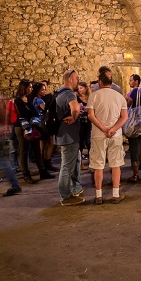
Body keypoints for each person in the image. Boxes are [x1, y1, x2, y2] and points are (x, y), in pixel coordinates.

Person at [87, 66, 129, 204]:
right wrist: (113, 129)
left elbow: (91, 116)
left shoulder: (93, 96)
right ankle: (115, 194)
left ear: (100, 82)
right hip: (115, 135)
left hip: (98, 135)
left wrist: (104, 128)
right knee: (115, 164)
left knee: (98, 165)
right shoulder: (120, 97)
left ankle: (98, 195)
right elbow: (124, 117)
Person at [13, 79, 55, 184]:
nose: (31, 89)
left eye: (32, 87)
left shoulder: (29, 98)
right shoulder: (18, 100)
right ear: (24, 88)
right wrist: (30, 112)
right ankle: (26, 174)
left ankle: (42, 171)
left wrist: (30, 112)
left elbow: (34, 112)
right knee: (24, 150)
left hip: (32, 125)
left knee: (36, 148)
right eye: (29, 87)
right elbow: (23, 113)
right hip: (22, 127)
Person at [54, 69, 85, 206]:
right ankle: (65, 196)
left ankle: (73, 188)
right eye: (77, 78)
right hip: (69, 136)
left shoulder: (58, 93)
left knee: (71, 163)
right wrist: (74, 117)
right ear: (70, 79)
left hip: (62, 134)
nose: (78, 80)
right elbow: (76, 108)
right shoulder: (69, 94)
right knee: (66, 167)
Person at [32, 82, 57, 173]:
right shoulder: (40, 101)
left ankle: (43, 163)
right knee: (49, 143)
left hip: (39, 123)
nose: (44, 91)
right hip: (44, 124)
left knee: (43, 144)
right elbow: (46, 110)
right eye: (42, 90)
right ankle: (46, 162)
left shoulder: (34, 99)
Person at [76, 81, 92, 165]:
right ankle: (80, 163)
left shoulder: (90, 97)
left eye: (81, 88)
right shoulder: (76, 97)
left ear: (85, 88)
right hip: (80, 122)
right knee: (80, 141)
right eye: (78, 88)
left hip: (88, 121)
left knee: (89, 141)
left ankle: (91, 161)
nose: (80, 90)